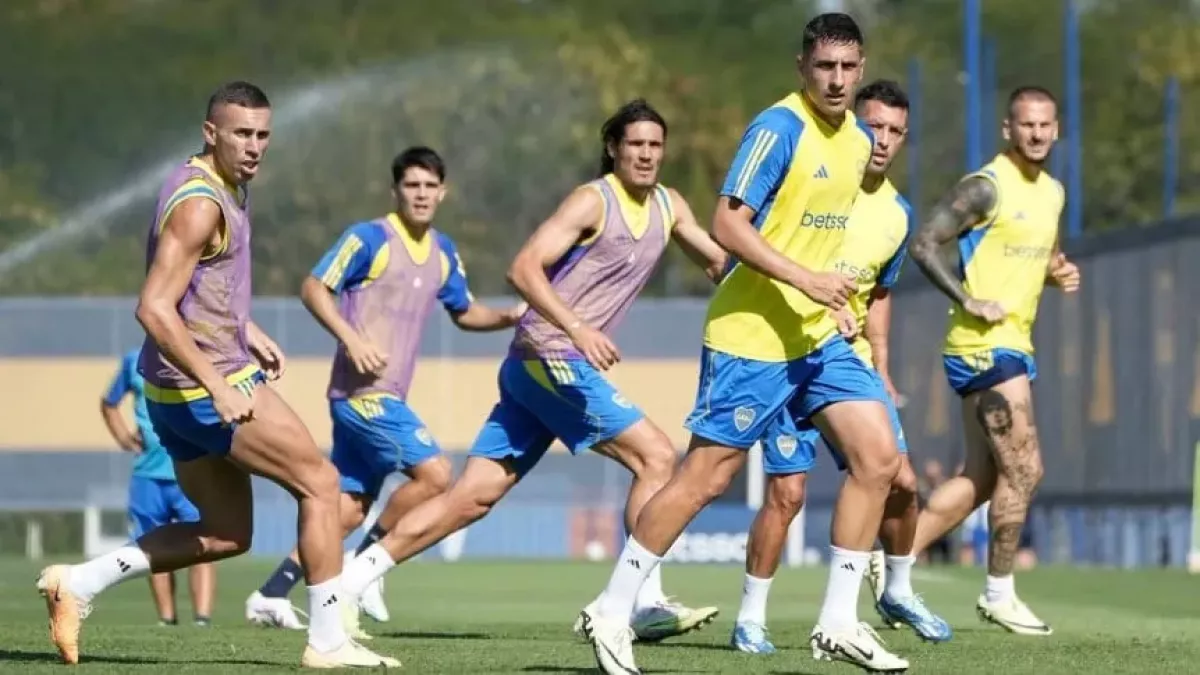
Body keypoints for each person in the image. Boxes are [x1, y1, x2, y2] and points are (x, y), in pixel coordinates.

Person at [580, 14, 911, 675]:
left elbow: (820, 238)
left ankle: (839, 622)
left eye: (849, 67)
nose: (838, 80)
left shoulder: (854, 140)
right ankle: (612, 609)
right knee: (705, 478)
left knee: (879, 458)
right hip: (750, 337)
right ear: (802, 67)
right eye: (826, 67)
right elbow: (729, 224)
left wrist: (835, 298)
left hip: (817, 335)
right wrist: (804, 279)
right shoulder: (778, 128)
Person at [334, 98, 726, 646]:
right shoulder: (593, 201)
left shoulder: (669, 205)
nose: (645, 154)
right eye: (634, 144)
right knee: (657, 456)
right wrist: (577, 328)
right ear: (612, 148)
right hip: (550, 356)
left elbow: (716, 260)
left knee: (472, 497)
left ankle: (346, 583)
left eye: (655, 145)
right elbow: (522, 267)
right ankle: (637, 601)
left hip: (535, 368)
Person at [36, 81, 396, 668]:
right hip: (202, 389)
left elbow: (198, 286)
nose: (255, 146)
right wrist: (219, 382)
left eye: (263, 135)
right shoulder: (203, 202)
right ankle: (328, 642)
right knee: (323, 485)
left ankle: (78, 583)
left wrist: (243, 328)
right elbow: (153, 306)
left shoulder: (221, 184)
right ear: (211, 133)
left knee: (229, 532)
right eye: (242, 134)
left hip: (172, 392)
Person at [246, 146, 524, 635]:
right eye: (411, 185)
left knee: (347, 509)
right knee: (436, 475)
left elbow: (464, 312)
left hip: (385, 398)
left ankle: (271, 591)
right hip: (362, 397)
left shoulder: (444, 253)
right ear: (395, 190)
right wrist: (350, 338)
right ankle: (369, 567)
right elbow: (314, 287)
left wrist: (506, 316)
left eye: (429, 186)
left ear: (443, 192)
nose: (420, 194)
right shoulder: (368, 238)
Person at [729, 79, 951, 656]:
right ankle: (751, 615)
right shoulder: (824, 173)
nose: (882, 140)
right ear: (854, 119)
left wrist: (880, 361)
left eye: (895, 131)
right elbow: (752, 231)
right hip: (784, 341)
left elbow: (879, 293)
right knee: (788, 491)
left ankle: (894, 589)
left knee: (898, 479)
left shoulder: (898, 214)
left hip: (844, 357)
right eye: (874, 124)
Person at [907, 85, 1081, 636]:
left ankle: (887, 559)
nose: (1036, 133)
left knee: (981, 479)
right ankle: (999, 594)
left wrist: (1055, 273)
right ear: (1008, 129)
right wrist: (967, 299)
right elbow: (924, 243)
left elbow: (1034, 256)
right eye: (1025, 124)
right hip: (983, 347)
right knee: (1026, 468)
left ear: (1057, 130)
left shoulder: (1052, 192)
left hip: (1014, 347)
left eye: (1045, 125)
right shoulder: (985, 187)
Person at [101, 348, 216, 628]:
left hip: (193, 468)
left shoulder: (199, 354)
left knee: (204, 544)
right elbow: (109, 403)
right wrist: (123, 438)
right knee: (152, 547)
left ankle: (201, 619)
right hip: (147, 476)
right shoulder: (133, 360)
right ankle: (166, 620)